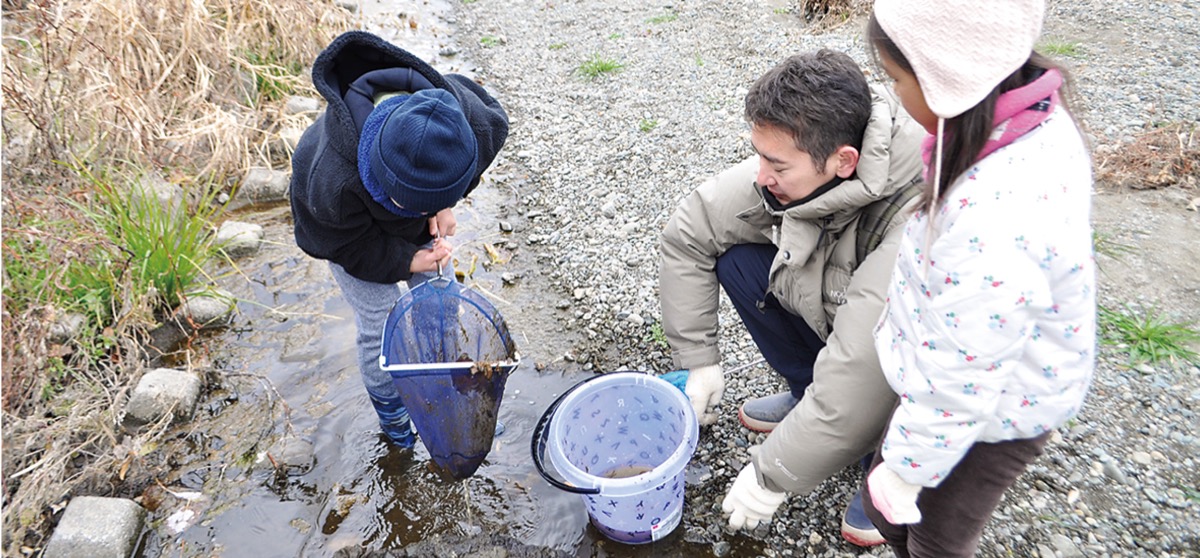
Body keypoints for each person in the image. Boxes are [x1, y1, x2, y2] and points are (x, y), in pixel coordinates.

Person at [659, 50, 925, 545]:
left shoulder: (919, 216)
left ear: (844, 160)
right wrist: (699, 361)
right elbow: (690, 230)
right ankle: (809, 398)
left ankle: (887, 463)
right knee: (737, 258)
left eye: (776, 163)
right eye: (759, 155)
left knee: (884, 361)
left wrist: (772, 475)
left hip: (923, 358)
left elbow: (862, 363)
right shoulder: (809, 160)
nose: (761, 175)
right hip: (845, 306)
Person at [862, 1, 1096, 556]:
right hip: (960, 374)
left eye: (896, 78)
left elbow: (966, 366)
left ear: (947, 76)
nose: (893, 93)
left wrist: (905, 468)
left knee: (935, 540)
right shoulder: (1023, 117)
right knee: (885, 509)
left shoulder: (994, 220)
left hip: (1002, 405)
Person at [289, 31, 509, 448]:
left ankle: (444, 397)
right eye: (408, 203)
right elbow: (349, 248)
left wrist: (445, 204)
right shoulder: (331, 184)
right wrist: (407, 261)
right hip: (350, 239)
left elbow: (483, 144)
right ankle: (394, 419)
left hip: (412, 201)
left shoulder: (464, 120)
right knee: (382, 321)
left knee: (440, 300)